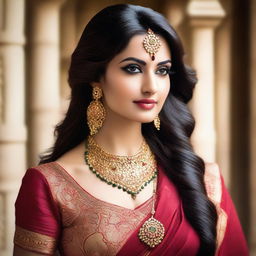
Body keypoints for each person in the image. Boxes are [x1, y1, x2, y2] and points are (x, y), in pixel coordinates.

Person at [13, 4, 248, 256]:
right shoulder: (50, 184)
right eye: (133, 68)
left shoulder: (203, 179)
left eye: (162, 71)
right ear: (96, 77)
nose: (151, 87)